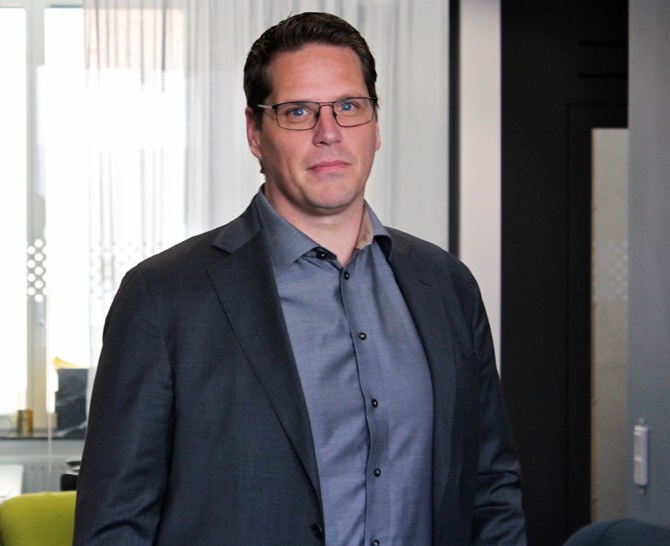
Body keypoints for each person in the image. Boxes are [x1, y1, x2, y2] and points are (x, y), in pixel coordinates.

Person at [73, 11, 526, 545]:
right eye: (298, 112)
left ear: (376, 126)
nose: (328, 133)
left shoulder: (447, 285)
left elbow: (491, 488)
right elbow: (115, 523)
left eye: (349, 106)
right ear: (255, 132)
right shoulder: (164, 297)